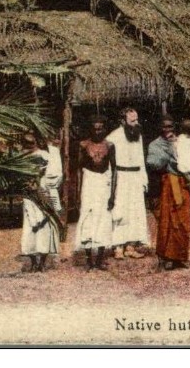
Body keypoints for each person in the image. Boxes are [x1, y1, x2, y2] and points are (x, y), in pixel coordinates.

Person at [146, 116, 190, 270]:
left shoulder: (181, 141)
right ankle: (164, 257)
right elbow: (153, 163)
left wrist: (176, 147)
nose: (168, 130)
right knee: (167, 220)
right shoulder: (155, 145)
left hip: (182, 183)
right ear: (160, 128)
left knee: (182, 220)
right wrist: (170, 153)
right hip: (168, 184)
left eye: (170, 127)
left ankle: (180, 256)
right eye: (164, 127)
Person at [107, 108, 150, 259]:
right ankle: (118, 247)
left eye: (137, 120)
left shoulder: (138, 136)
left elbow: (141, 160)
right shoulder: (113, 137)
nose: (136, 123)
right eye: (132, 121)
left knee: (135, 212)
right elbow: (109, 165)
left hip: (136, 177)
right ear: (123, 121)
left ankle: (131, 246)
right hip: (121, 177)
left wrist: (144, 180)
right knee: (120, 211)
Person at [75, 116, 116, 271]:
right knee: (87, 218)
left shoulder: (110, 145)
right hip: (88, 183)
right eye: (95, 128)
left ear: (105, 129)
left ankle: (99, 260)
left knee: (102, 218)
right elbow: (79, 170)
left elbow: (115, 170)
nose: (98, 131)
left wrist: (112, 194)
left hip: (103, 184)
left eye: (101, 128)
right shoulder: (83, 145)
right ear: (90, 129)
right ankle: (88, 260)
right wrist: (78, 193)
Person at [20, 133, 59, 273]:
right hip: (28, 194)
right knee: (30, 227)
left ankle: (41, 262)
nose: (30, 147)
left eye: (32, 144)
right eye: (26, 144)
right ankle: (33, 261)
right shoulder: (21, 157)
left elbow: (53, 174)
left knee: (43, 226)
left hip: (42, 192)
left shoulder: (45, 155)